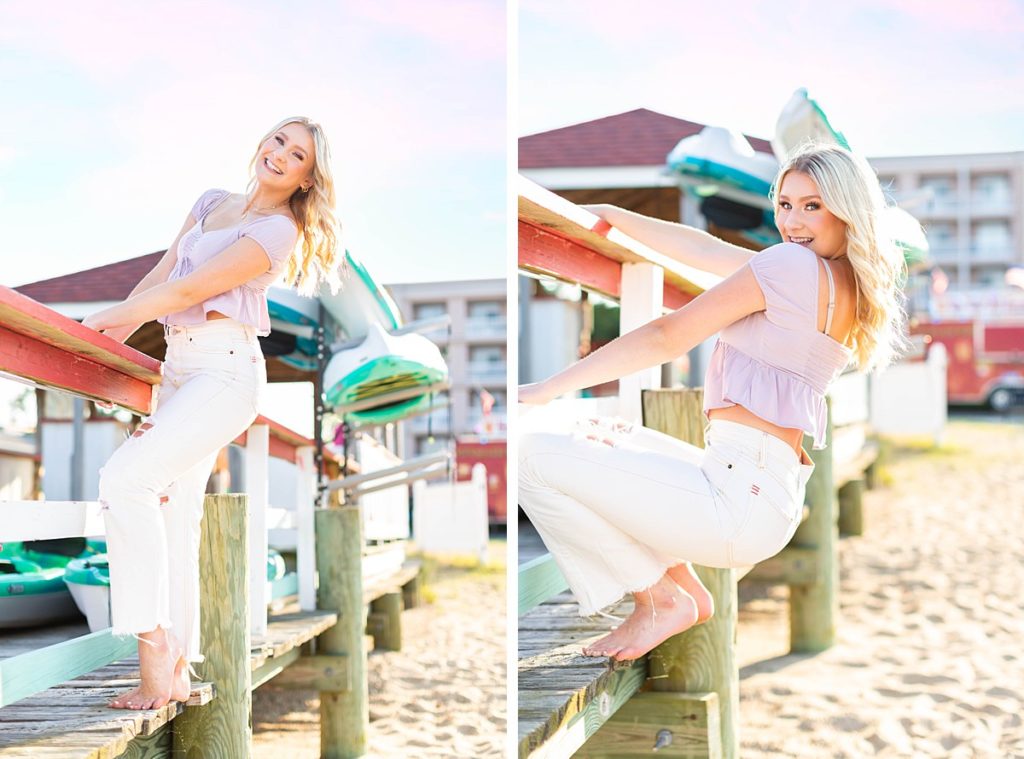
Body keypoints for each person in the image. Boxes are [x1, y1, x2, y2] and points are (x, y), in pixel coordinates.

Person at [518, 143, 909, 662]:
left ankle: (659, 599)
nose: (792, 221)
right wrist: (614, 217)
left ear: (847, 209)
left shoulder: (792, 267)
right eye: (785, 204)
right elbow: (705, 252)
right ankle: (680, 589)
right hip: (760, 491)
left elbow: (666, 336)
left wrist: (543, 388)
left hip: (735, 497)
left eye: (812, 205)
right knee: (597, 432)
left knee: (526, 453)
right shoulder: (835, 279)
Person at [81, 116, 342, 709]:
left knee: (126, 480)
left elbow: (188, 292)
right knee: (176, 512)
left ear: (306, 178)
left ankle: (152, 652)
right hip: (176, 370)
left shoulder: (279, 231)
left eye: (297, 154)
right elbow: (163, 274)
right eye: (279, 139)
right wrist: (113, 328)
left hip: (226, 374)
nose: (280, 154)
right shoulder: (210, 201)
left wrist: (99, 320)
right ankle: (174, 670)